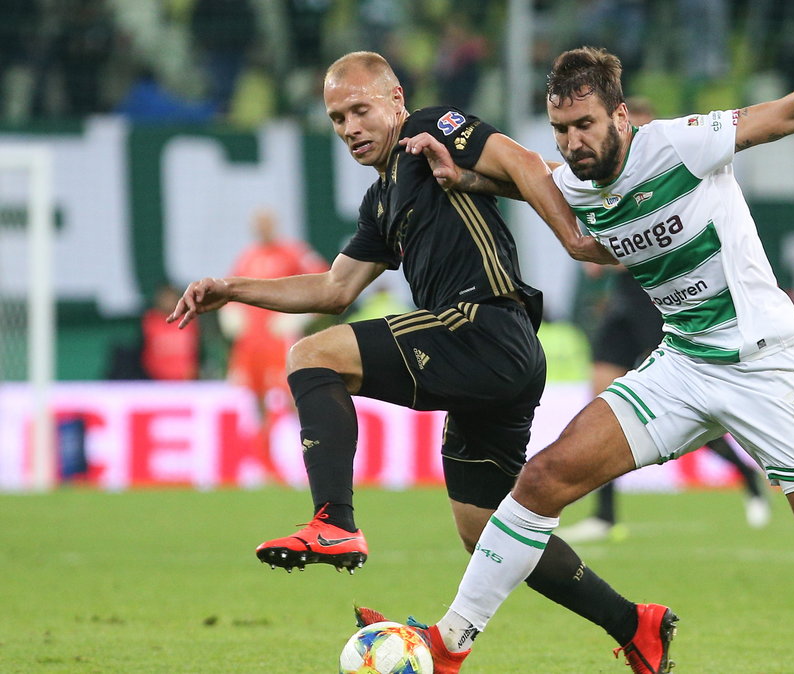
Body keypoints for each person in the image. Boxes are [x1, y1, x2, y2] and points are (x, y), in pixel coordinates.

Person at [384, 12, 794, 674]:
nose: (574, 143)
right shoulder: (576, 180)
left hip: (764, 361)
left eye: (585, 126)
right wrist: (465, 178)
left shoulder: (680, 145)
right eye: (561, 130)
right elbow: (534, 182)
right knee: (542, 480)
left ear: (620, 119)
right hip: (684, 362)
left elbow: (793, 113)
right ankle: (449, 643)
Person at [167, 50, 676, 672]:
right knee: (487, 531)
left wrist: (573, 238)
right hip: (495, 358)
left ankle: (334, 520)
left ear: (396, 100)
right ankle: (636, 625)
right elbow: (333, 290)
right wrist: (232, 288)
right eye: (336, 118)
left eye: (360, 109)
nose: (350, 127)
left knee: (311, 354)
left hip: (483, 324)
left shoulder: (430, 130)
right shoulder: (382, 202)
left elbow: (518, 161)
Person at [558, 95, 769, 545]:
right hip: (621, 308)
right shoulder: (607, 182)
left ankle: (745, 474)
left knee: (693, 408)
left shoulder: (681, 173)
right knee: (600, 400)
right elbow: (599, 249)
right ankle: (607, 515)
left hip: (664, 307)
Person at [220, 207, 328, 470]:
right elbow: (231, 290)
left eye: (266, 222)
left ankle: (315, 456)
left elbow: (327, 282)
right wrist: (230, 310)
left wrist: (301, 315)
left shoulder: (294, 252)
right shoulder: (247, 258)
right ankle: (265, 462)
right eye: (258, 223)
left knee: (293, 397)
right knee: (255, 401)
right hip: (251, 344)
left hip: (280, 341)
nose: (262, 228)